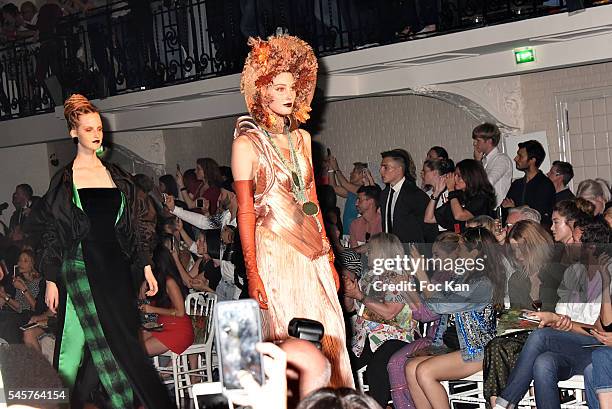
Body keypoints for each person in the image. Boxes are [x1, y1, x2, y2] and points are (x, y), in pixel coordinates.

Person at [25, 94, 174, 408]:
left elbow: (138, 221)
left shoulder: (116, 175)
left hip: (115, 269)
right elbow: (53, 229)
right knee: (97, 343)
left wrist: (146, 265)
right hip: (80, 265)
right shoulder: (66, 180)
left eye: (99, 128)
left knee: (86, 341)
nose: (96, 133)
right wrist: (51, 277)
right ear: (73, 133)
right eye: (89, 128)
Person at [231, 34, 353, 387]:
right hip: (275, 250)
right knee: (293, 337)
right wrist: (253, 274)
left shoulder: (302, 140)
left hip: (312, 252)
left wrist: (329, 260)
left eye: (292, 88)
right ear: (262, 91)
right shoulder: (245, 143)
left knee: (332, 335)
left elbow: (312, 200)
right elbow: (245, 213)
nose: (288, 95)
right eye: (279, 87)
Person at [426, 159, 496, 234]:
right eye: (454, 175)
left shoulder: (481, 197)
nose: (455, 179)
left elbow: (459, 215)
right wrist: (437, 192)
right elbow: (429, 218)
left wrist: (451, 189)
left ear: (470, 177)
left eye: (459, 176)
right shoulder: (458, 196)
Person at [380, 149, 429, 244]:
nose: (381, 171)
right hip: (389, 250)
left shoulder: (415, 195)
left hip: (410, 251)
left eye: (386, 167)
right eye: (381, 167)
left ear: (399, 169)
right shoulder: (384, 194)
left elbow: (427, 227)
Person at [503, 140, 556, 226]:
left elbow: (536, 216)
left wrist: (513, 208)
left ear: (532, 160)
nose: (515, 158)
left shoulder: (545, 185)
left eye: (520, 156)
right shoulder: (517, 184)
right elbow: (505, 207)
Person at [472, 123, 513, 208]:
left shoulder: (501, 159)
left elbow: (487, 183)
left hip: (497, 212)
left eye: (478, 140)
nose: (474, 143)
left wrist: (478, 162)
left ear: (489, 141)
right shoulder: (486, 160)